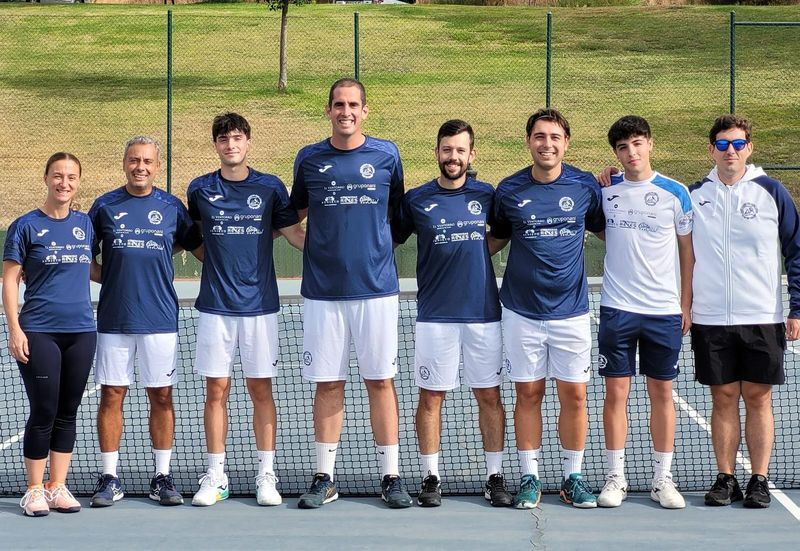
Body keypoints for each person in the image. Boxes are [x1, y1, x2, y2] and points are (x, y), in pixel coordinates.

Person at [291, 78, 412, 509]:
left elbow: (397, 214)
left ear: (366, 111)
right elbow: (295, 214)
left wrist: (376, 250)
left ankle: (391, 476)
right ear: (328, 111)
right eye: (338, 105)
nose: (346, 111)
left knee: (380, 381)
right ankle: (324, 477)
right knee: (329, 384)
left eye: (353, 105)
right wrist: (318, 249)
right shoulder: (308, 158)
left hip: (376, 290)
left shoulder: (387, 154)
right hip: (322, 293)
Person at [489, 108, 604, 509]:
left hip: (571, 312)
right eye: (540, 137)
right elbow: (494, 238)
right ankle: (529, 476)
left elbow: (609, 229)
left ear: (566, 142)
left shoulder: (586, 186)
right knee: (528, 394)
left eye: (554, 137)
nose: (547, 144)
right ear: (528, 142)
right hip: (521, 312)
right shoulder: (508, 191)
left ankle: (573, 476)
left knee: (575, 397)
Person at [187, 112, 305, 507]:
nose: (231, 144)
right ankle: (216, 475)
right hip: (216, 309)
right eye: (223, 139)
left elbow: (294, 235)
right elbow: (195, 241)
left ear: (248, 142)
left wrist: (339, 245)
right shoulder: (200, 189)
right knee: (216, 390)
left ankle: (265, 474)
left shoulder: (270, 188)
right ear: (216, 145)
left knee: (260, 389)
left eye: (237, 137)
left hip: (260, 308)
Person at [392, 119, 511, 507]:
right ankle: (430, 477)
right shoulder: (417, 199)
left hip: (482, 314)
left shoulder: (487, 195)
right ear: (437, 153)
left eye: (460, 150)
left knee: (489, 396)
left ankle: (495, 476)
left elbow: (503, 232)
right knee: (431, 397)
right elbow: (388, 237)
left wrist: (477, 253)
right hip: (434, 316)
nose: (453, 157)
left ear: (471, 154)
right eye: (447, 150)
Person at [690, 114, 800, 508]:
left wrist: (796, 308)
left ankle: (759, 479)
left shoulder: (771, 191)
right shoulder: (694, 195)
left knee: (757, 397)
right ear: (711, 149)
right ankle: (725, 478)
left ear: (749, 148)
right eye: (722, 144)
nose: (730, 151)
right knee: (722, 396)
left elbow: (796, 250)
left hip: (762, 315)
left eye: (737, 143)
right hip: (710, 316)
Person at [88, 136, 203, 508]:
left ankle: (162, 477)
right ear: (124, 163)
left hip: (160, 319)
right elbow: (80, 252)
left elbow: (197, 247)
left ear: (158, 165)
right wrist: (113, 276)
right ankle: (109, 478)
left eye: (148, 161)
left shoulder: (171, 207)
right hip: (114, 319)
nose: (141, 166)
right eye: (134, 160)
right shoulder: (104, 206)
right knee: (111, 396)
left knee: (162, 396)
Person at [595, 116, 693, 510]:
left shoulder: (676, 193)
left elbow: (688, 252)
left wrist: (686, 304)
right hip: (617, 309)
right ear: (615, 153)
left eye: (637, 143)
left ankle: (661, 479)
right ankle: (616, 477)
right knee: (615, 394)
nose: (631, 153)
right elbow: (605, 231)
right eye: (622, 147)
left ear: (650, 144)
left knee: (662, 394)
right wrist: (602, 180)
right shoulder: (605, 190)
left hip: (663, 311)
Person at [3, 153, 96, 517]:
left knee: (68, 412)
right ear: (46, 178)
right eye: (58, 176)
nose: (64, 183)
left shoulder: (86, 225)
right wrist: (14, 328)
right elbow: (10, 279)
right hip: (39, 330)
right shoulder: (25, 226)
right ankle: (33, 490)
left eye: (71, 177)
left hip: (82, 332)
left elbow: (96, 266)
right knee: (44, 409)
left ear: (78, 182)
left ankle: (58, 486)